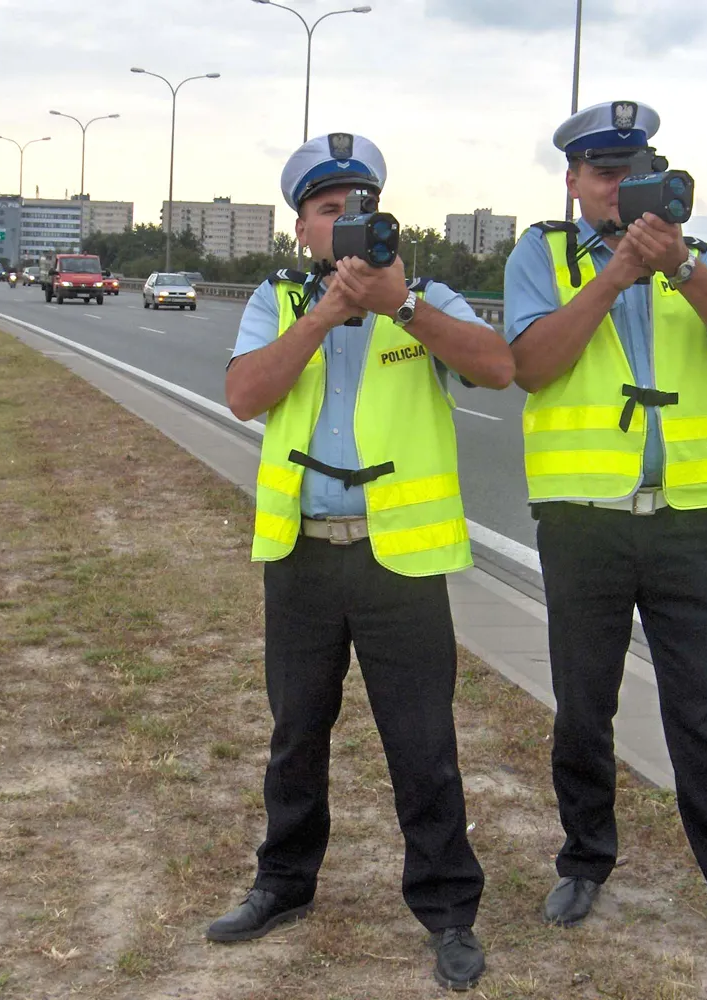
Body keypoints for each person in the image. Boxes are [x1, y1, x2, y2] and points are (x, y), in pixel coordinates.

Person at [502, 101, 707, 953]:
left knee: (706, 711)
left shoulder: (695, 253)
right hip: (584, 521)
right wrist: (612, 275)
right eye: (604, 174)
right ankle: (584, 861)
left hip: (680, 520)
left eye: (634, 171)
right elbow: (530, 367)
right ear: (573, 182)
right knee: (582, 707)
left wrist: (676, 264)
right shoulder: (541, 254)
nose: (620, 188)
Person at [210, 133, 515, 990]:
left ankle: (449, 909)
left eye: (363, 209)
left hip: (400, 565)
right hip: (304, 555)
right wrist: (322, 315)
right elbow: (243, 397)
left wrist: (401, 304)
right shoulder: (275, 299)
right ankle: (283, 883)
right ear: (301, 231)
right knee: (295, 734)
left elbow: (498, 368)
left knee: (424, 745)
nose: (348, 224)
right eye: (329, 212)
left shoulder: (428, 297)